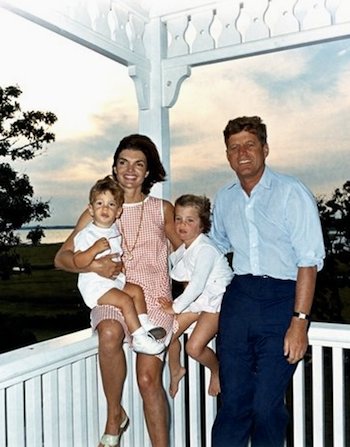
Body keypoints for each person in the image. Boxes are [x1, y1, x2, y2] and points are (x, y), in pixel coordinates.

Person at [54, 134, 181, 447]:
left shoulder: (162, 209)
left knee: (148, 380)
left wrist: (188, 301)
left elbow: (188, 256)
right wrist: (94, 267)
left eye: (139, 164)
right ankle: (114, 416)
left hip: (153, 299)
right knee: (109, 332)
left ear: (149, 171)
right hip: (113, 291)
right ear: (114, 166)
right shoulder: (100, 208)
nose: (130, 170)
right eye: (123, 162)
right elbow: (61, 259)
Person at [210, 116, 325, 447]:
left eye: (249, 145)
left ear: (265, 148)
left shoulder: (291, 192)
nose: (242, 152)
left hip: (281, 301)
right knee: (232, 402)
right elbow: (215, 249)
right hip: (239, 301)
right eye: (234, 147)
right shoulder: (226, 197)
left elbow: (308, 261)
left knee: (265, 406)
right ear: (228, 155)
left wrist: (299, 322)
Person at [73, 175, 166, 356]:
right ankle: (139, 339)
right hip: (95, 287)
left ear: (118, 212)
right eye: (99, 204)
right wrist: (93, 250)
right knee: (125, 300)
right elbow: (78, 262)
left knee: (136, 291)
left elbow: (114, 255)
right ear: (90, 209)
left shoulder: (113, 230)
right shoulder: (87, 234)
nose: (104, 208)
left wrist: (120, 265)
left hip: (113, 281)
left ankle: (144, 324)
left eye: (111, 204)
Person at [159, 194, 233, 398]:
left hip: (215, 302)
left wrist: (174, 307)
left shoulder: (206, 249)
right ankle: (177, 370)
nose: (182, 224)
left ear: (202, 225)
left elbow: (197, 285)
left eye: (190, 220)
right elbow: (178, 271)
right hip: (198, 303)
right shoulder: (186, 248)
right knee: (167, 334)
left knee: (193, 347)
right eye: (178, 219)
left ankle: (216, 370)